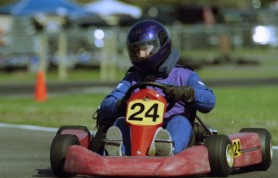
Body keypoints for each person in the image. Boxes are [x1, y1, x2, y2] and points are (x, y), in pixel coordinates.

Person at [91, 19, 215, 156]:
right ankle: (118, 153)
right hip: (137, 132)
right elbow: (106, 104)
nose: (141, 55)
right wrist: (120, 105)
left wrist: (185, 93)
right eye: (136, 50)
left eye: (145, 49)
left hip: (171, 128)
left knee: (180, 121)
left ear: (160, 46)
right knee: (120, 122)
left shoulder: (184, 75)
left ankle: (168, 150)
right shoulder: (132, 79)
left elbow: (209, 100)